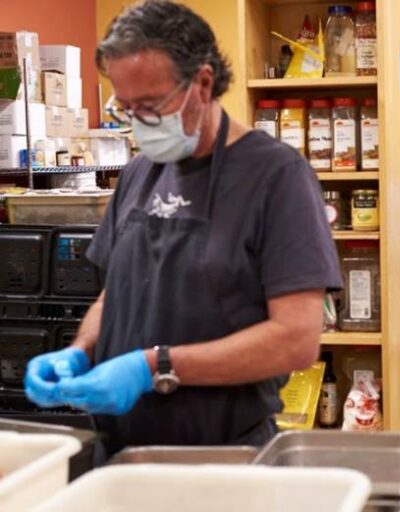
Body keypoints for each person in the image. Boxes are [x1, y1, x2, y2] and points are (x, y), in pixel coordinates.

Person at [24, 1, 341, 456]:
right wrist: (80, 350)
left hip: (221, 455)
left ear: (203, 83)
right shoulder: (138, 172)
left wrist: (155, 367)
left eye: (150, 106)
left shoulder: (276, 177)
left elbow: (296, 340)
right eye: (126, 108)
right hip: (120, 451)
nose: (138, 123)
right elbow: (116, 292)